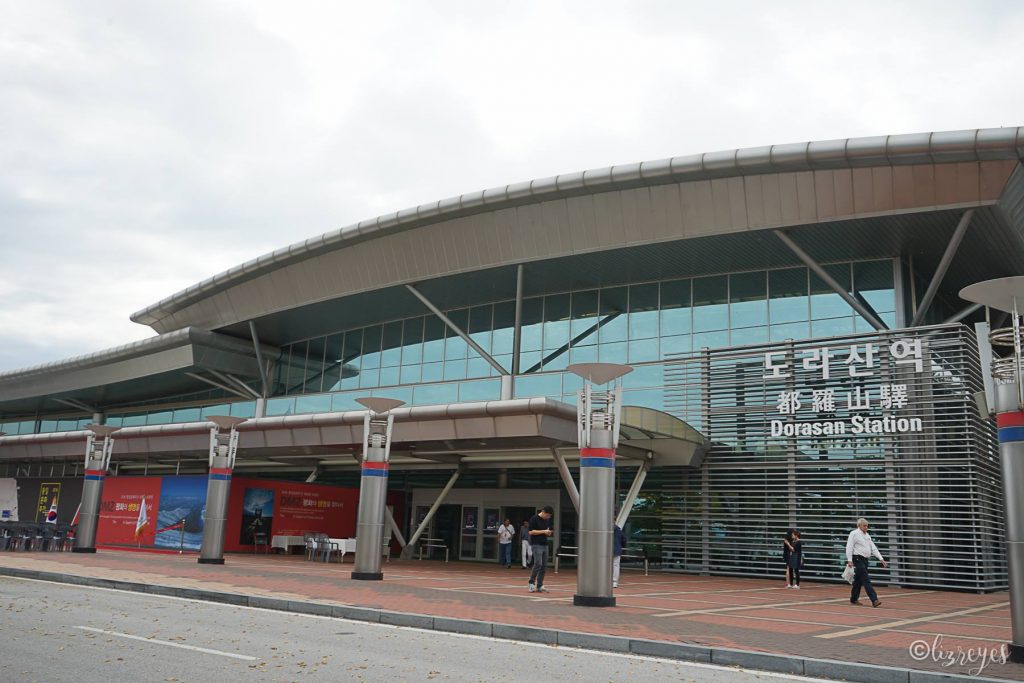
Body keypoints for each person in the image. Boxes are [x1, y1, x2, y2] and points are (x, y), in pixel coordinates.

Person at [846, 517, 888, 607]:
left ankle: (853, 599)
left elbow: (873, 548)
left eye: (867, 526)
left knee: (858, 581)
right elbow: (849, 547)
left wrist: (881, 558)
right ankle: (874, 600)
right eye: (864, 526)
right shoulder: (854, 533)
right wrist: (849, 560)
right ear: (859, 526)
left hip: (865, 560)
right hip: (857, 559)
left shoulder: (867, 535)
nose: (866, 527)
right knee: (866, 580)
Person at [527, 506, 554, 593]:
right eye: (547, 515)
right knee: (538, 563)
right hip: (536, 544)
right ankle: (531, 583)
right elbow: (531, 532)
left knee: (544, 566)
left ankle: (540, 585)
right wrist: (543, 531)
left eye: (549, 516)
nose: (548, 517)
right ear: (543, 512)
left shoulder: (547, 520)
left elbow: (548, 531)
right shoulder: (534, 518)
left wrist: (549, 532)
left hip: (545, 544)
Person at [612, 523, 626, 588]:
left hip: (606, 550)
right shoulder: (618, 530)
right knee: (616, 566)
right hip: (616, 550)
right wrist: (620, 546)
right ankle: (614, 582)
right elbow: (624, 539)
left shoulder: (604, 529)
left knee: (605, 566)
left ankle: (604, 580)